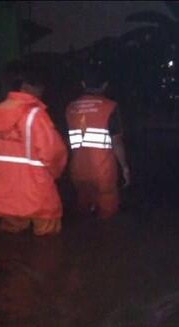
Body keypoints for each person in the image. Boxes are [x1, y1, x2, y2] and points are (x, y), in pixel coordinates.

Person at [0, 60, 67, 236]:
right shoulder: (35, 115)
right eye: (39, 86)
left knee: (11, 247)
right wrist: (57, 174)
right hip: (38, 196)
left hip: (4, 197)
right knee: (48, 248)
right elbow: (54, 153)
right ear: (26, 86)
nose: (42, 91)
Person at [66, 59, 130, 219]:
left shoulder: (70, 108)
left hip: (77, 171)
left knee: (83, 216)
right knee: (108, 218)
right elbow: (117, 143)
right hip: (104, 172)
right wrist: (125, 168)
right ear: (105, 85)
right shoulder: (110, 106)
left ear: (82, 83)